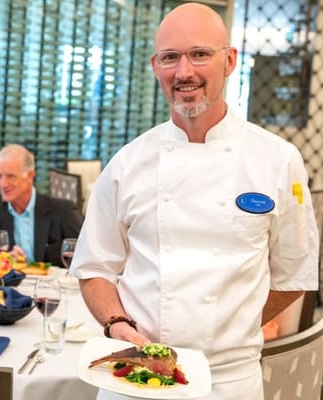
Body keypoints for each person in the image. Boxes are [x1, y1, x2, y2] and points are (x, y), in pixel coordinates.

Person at [70, 3, 319, 400]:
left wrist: (231, 331)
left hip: (230, 379)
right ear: (156, 66)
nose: (184, 72)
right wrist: (117, 324)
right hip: (134, 371)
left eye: (200, 54)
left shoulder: (278, 160)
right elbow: (94, 266)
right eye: (171, 57)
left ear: (230, 61)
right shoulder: (127, 163)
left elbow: (294, 276)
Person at [0, 144, 83, 266]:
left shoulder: (64, 212)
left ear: (30, 176)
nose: (3, 184)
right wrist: (5, 261)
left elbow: (86, 255)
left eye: (11, 177)